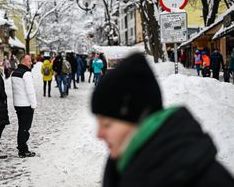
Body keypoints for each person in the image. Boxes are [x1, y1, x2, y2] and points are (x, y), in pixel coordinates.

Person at [91, 52, 234, 187]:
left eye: (107, 124)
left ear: (140, 118)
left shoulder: (207, 179)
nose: (99, 134)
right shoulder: (121, 165)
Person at [11, 54, 37, 158]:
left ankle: (22, 148)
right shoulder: (26, 73)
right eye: (29, 61)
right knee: (25, 128)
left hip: (17, 104)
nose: (31, 63)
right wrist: (33, 104)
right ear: (23, 61)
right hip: (26, 104)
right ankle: (23, 149)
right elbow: (30, 91)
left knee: (21, 127)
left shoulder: (14, 72)